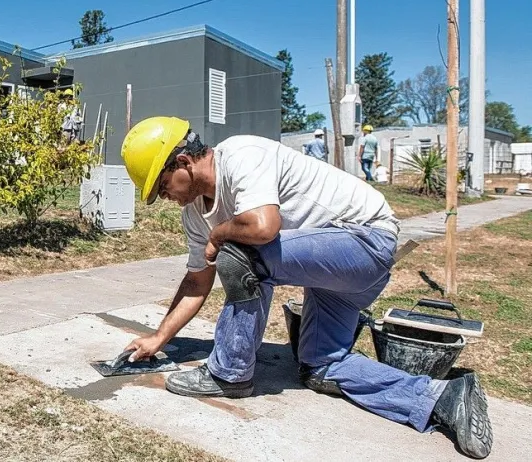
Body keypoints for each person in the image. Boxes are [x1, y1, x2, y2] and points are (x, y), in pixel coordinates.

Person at [119, 116, 493, 459]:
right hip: (333, 277)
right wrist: (159, 338)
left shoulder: (241, 154)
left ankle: (228, 374)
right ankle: (442, 397)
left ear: (183, 162)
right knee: (321, 367)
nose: (163, 197)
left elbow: (263, 227)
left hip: (365, 242)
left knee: (242, 252)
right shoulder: (194, 213)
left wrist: (219, 233)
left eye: (161, 185)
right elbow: (197, 281)